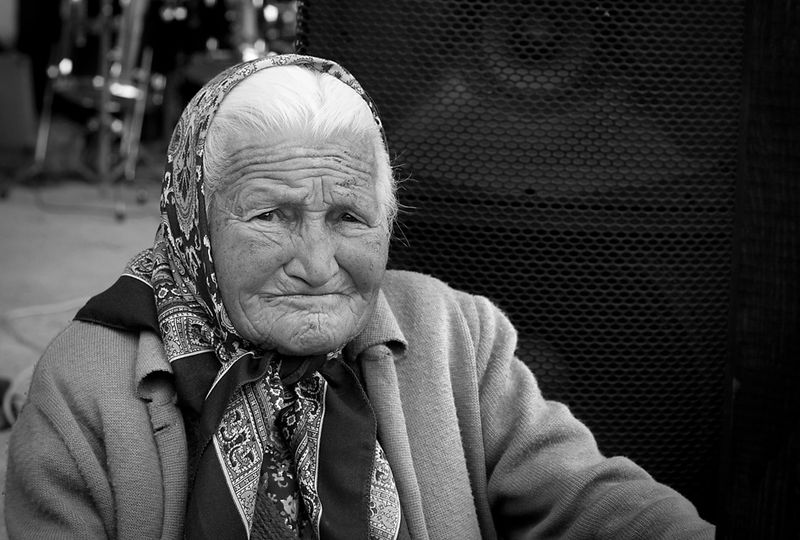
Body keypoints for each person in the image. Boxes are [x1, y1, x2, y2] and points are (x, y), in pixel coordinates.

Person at [4, 54, 714, 540]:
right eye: (271, 215)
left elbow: (592, 500)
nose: (318, 265)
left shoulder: (457, 334)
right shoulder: (84, 387)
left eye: (349, 217)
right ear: (195, 223)